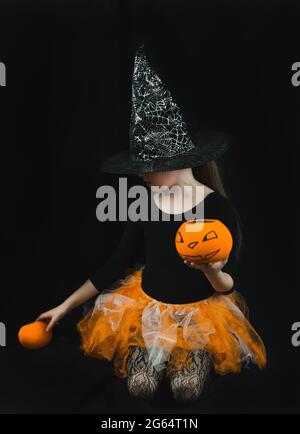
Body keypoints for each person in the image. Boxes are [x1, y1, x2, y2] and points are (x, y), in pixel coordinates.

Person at [36, 45, 267, 403]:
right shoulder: (145, 202)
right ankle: (151, 348)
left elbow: (225, 285)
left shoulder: (216, 206)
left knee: (186, 392)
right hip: (148, 308)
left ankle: (194, 352)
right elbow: (115, 263)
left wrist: (212, 270)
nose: (141, 176)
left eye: (147, 167)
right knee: (140, 387)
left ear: (175, 162)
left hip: (199, 314)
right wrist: (65, 306)